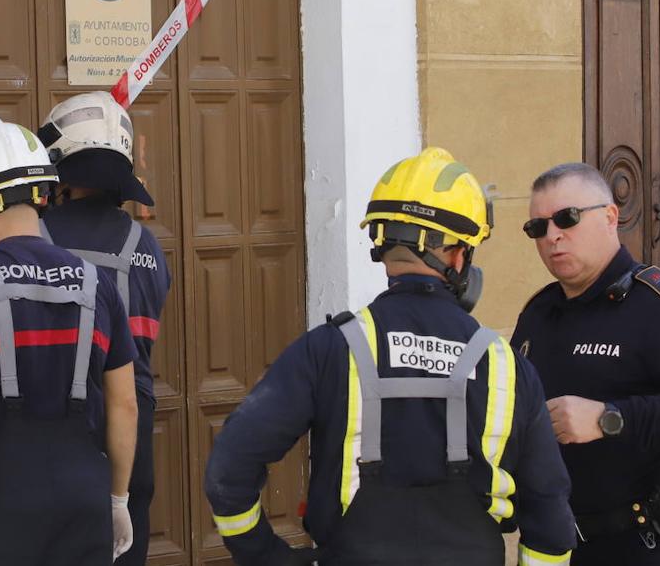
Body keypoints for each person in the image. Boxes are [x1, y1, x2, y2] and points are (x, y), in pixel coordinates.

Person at [204, 147, 575, 566]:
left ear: (382, 244)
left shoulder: (329, 348)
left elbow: (229, 468)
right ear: (458, 254)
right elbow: (551, 521)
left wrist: (267, 556)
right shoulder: (508, 367)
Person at [0, 92, 170, 566]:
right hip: (126, 430)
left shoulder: (27, 234)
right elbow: (127, 388)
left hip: (40, 431)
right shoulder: (145, 243)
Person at [511, 163, 660, 565]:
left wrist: (609, 418)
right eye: (538, 228)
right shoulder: (538, 314)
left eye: (567, 218)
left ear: (610, 216)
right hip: (564, 543)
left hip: (649, 543)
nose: (552, 236)